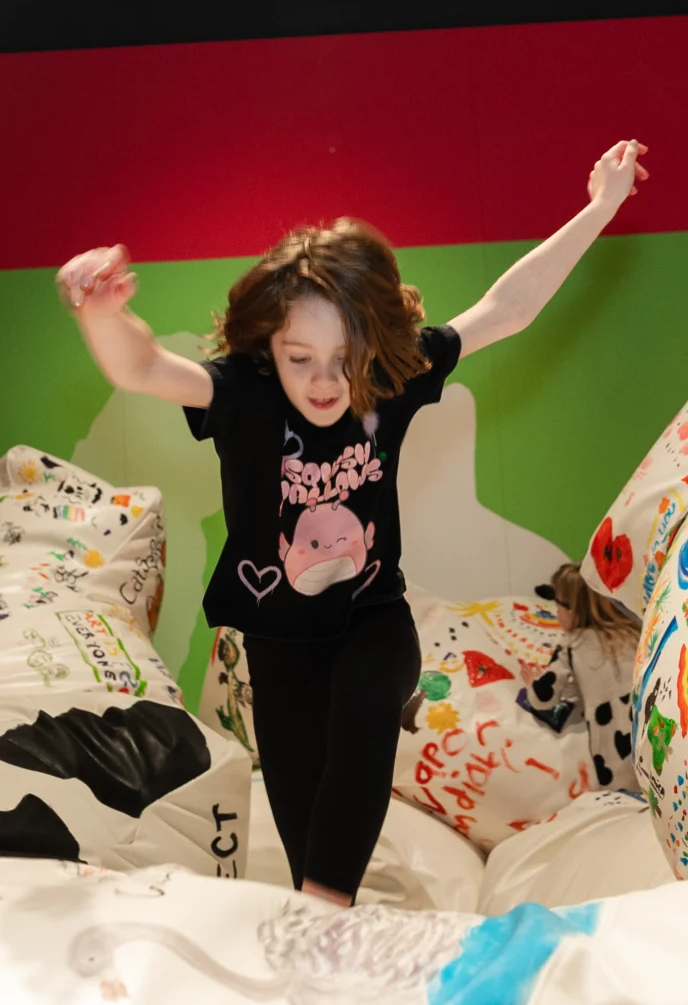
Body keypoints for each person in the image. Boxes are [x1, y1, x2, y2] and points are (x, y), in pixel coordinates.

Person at [57, 139, 650, 904]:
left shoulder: (390, 378)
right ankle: (323, 926)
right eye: (300, 357)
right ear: (268, 347)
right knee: (308, 837)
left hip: (372, 618)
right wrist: (104, 310)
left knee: (369, 707)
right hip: (276, 639)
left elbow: (507, 308)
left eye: (344, 357)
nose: (326, 381)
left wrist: (600, 206)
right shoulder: (246, 393)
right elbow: (138, 367)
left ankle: (324, 914)